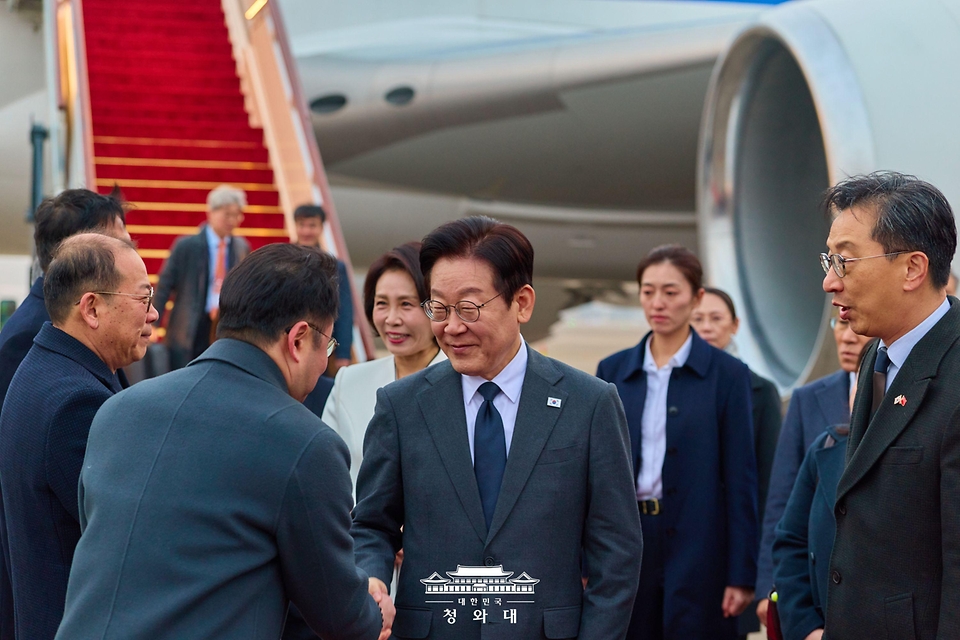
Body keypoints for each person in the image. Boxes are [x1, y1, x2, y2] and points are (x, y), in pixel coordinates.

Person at [56, 244, 391, 640]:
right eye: (329, 346)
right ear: (299, 339)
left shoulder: (118, 410)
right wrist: (373, 608)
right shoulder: (306, 442)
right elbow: (339, 616)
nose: (324, 364)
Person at [351, 216, 642, 639]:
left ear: (521, 303)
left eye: (469, 308)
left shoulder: (589, 404)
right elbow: (371, 524)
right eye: (438, 308)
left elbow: (616, 552)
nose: (451, 327)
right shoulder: (402, 405)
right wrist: (372, 577)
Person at [820, 171, 960, 638]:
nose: (829, 282)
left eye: (845, 261)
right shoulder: (875, 356)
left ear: (913, 269)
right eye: (830, 260)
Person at [0, 233, 157, 640]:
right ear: (91, 308)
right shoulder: (77, 402)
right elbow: (131, 538)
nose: (154, 314)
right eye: (144, 299)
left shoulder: (44, 365)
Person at [597, 245, 758, 640]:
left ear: (696, 297)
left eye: (670, 292)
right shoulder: (613, 370)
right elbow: (596, 474)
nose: (658, 303)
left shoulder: (728, 375)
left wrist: (741, 574)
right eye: (648, 291)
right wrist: (588, 561)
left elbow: (741, 478)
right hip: (629, 541)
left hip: (700, 542)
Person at [753, 314, 870, 624]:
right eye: (840, 324)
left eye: (855, 326)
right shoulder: (807, 398)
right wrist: (768, 583)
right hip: (814, 582)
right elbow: (782, 499)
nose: (847, 337)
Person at [691, 286, 782, 639]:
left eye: (716, 318)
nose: (706, 327)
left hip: (731, 558)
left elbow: (767, 487)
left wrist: (754, 574)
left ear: (735, 325)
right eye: (698, 318)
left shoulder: (759, 391)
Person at [322, 241, 446, 487]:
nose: (391, 319)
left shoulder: (468, 382)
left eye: (406, 304)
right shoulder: (349, 382)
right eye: (381, 304)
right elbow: (327, 471)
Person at [153, 184, 250, 370]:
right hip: (190, 324)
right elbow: (165, 284)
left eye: (237, 214)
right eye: (227, 214)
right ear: (211, 212)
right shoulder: (186, 245)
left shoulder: (241, 247)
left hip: (223, 324)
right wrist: (154, 321)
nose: (233, 220)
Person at [294, 204, 354, 373]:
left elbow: (344, 311)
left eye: (312, 225)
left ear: (321, 227)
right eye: (302, 225)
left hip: (320, 347)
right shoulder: (281, 262)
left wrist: (343, 353)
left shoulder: (335, 267)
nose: (306, 231)